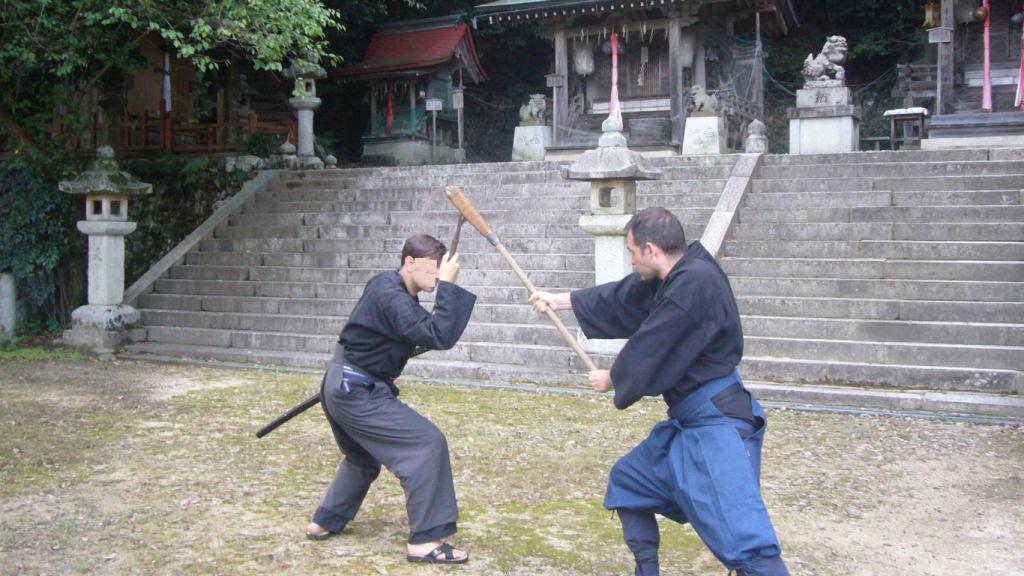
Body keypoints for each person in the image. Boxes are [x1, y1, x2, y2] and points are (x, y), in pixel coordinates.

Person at [529, 207, 789, 576]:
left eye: (633, 251)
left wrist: (613, 377)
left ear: (650, 249)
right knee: (631, 482)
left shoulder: (695, 284)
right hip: (689, 424)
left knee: (750, 547)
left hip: (717, 424)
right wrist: (559, 299)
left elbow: (655, 340)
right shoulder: (678, 274)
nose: (631, 259)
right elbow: (626, 297)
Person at [305, 234, 476, 565]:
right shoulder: (390, 293)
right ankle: (425, 542)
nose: (438, 275)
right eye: (434, 269)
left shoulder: (391, 290)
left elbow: (425, 332)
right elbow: (436, 334)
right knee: (427, 443)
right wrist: (449, 289)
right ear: (409, 263)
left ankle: (324, 521)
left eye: (442, 269)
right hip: (355, 389)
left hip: (343, 383)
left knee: (362, 458)